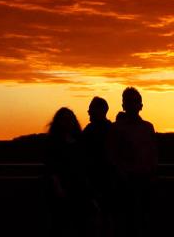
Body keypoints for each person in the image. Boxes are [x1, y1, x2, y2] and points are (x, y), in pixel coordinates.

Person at [108, 87, 157, 237]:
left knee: (144, 222)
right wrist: (122, 173)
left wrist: (151, 173)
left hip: (145, 181)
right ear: (123, 105)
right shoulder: (115, 129)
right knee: (125, 223)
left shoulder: (148, 128)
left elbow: (153, 153)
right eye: (128, 102)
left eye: (134, 102)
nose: (131, 105)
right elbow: (111, 155)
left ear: (141, 105)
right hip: (124, 183)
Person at [44, 107, 97, 237]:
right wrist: (58, 187)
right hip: (61, 188)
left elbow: (85, 166)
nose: (68, 122)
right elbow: (52, 168)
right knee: (61, 225)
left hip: (79, 189)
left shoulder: (80, 142)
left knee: (81, 225)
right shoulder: (53, 143)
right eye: (65, 119)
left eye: (70, 119)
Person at [82, 97, 113, 236]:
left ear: (101, 111)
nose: (89, 112)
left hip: (101, 181)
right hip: (101, 182)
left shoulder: (91, 131)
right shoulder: (112, 129)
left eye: (91, 109)